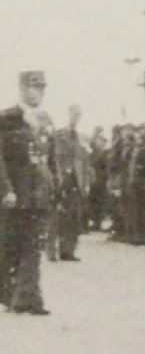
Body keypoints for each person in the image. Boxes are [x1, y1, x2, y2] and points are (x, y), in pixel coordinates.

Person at [0, 71, 52, 315]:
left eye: (41, 88)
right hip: (15, 195)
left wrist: (51, 187)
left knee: (33, 246)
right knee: (9, 245)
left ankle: (30, 298)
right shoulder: (7, 118)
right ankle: (9, 294)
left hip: (37, 195)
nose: (38, 92)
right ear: (21, 88)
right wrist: (6, 189)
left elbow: (46, 160)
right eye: (33, 87)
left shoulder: (44, 120)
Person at [51, 104, 89, 260]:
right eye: (74, 115)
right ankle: (58, 249)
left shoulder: (81, 138)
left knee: (75, 216)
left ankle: (70, 251)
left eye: (78, 116)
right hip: (64, 181)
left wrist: (85, 183)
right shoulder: (60, 135)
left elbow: (84, 162)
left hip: (76, 181)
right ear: (69, 114)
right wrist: (58, 178)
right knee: (62, 216)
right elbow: (56, 158)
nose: (76, 118)